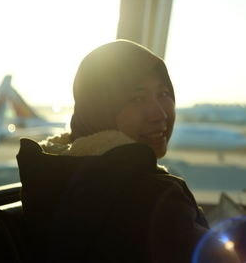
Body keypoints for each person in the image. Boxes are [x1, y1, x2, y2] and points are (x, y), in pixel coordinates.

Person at [16, 39, 211, 262]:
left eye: (164, 93)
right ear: (100, 108)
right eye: (137, 98)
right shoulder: (156, 197)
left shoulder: (52, 175)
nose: (159, 113)